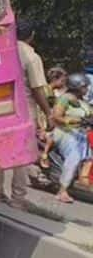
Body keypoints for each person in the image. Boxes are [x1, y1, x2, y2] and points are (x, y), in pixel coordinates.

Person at [0, 20, 52, 209]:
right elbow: (37, 89)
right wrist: (48, 112)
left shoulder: (0, 50)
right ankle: (18, 197)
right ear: (31, 35)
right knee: (22, 154)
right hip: (24, 109)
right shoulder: (31, 56)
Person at [51, 73, 92, 203]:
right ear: (77, 87)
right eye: (85, 86)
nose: (87, 89)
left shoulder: (83, 102)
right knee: (74, 157)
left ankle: (83, 180)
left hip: (80, 134)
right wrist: (73, 121)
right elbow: (56, 116)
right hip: (65, 132)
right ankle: (62, 191)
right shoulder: (65, 98)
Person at [41, 67, 68, 168]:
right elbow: (42, 110)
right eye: (62, 81)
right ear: (55, 80)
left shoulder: (52, 92)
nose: (63, 84)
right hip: (45, 124)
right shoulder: (46, 91)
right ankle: (44, 156)